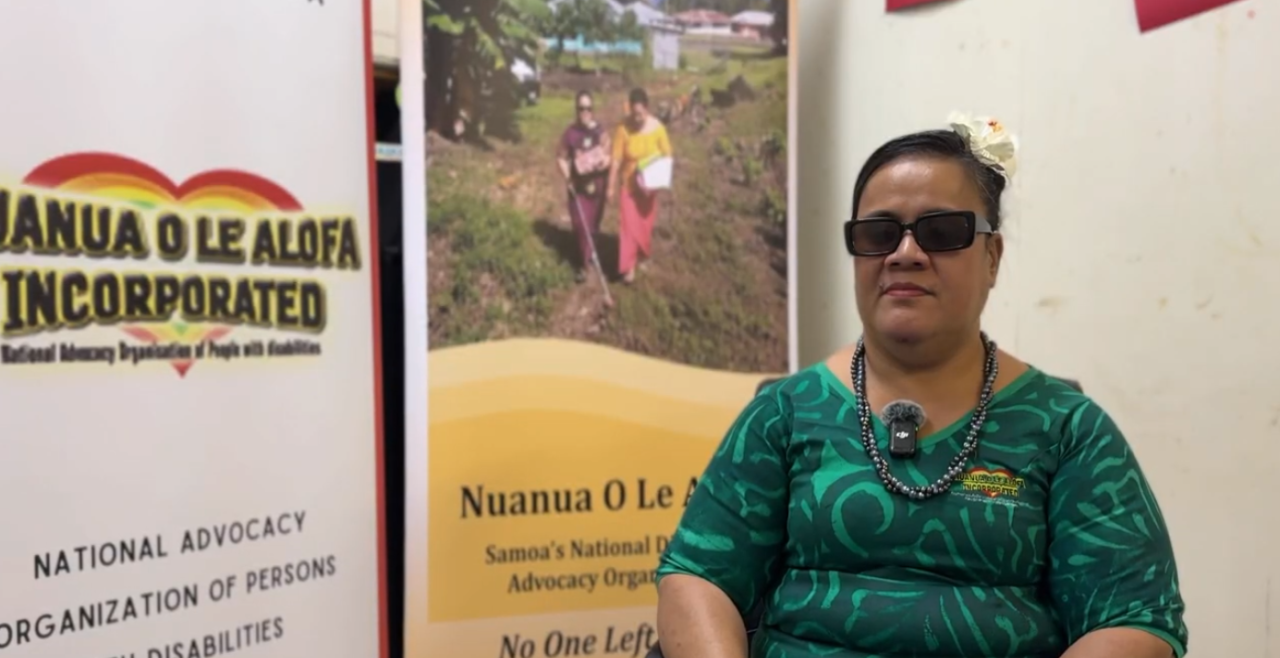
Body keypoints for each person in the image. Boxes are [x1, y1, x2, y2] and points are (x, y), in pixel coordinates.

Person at [654, 116, 1188, 658]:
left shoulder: (1068, 429)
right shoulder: (785, 414)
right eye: (878, 234)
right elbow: (698, 576)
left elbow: (1134, 619)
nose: (905, 252)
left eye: (941, 231)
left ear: (992, 257)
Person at [608, 87, 672, 284]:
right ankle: (628, 267)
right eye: (634, 114)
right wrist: (610, 185)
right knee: (628, 227)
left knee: (644, 225)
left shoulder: (658, 128)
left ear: (647, 108)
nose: (637, 119)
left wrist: (655, 172)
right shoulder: (623, 128)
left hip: (649, 188)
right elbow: (616, 159)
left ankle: (642, 254)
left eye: (640, 114)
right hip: (629, 186)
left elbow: (668, 155)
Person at [556, 90, 611, 282]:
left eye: (588, 108)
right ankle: (585, 265)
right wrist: (567, 177)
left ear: (593, 109)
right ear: (576, 109)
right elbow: (560, 158)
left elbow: (609, 156)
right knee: (581, 225)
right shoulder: (570, 134)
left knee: (593, 225)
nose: (585, 112)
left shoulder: (601, 132)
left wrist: (602, 162)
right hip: (578, 188)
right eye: (581, 108)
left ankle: (590, 254)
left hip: (597, 187)